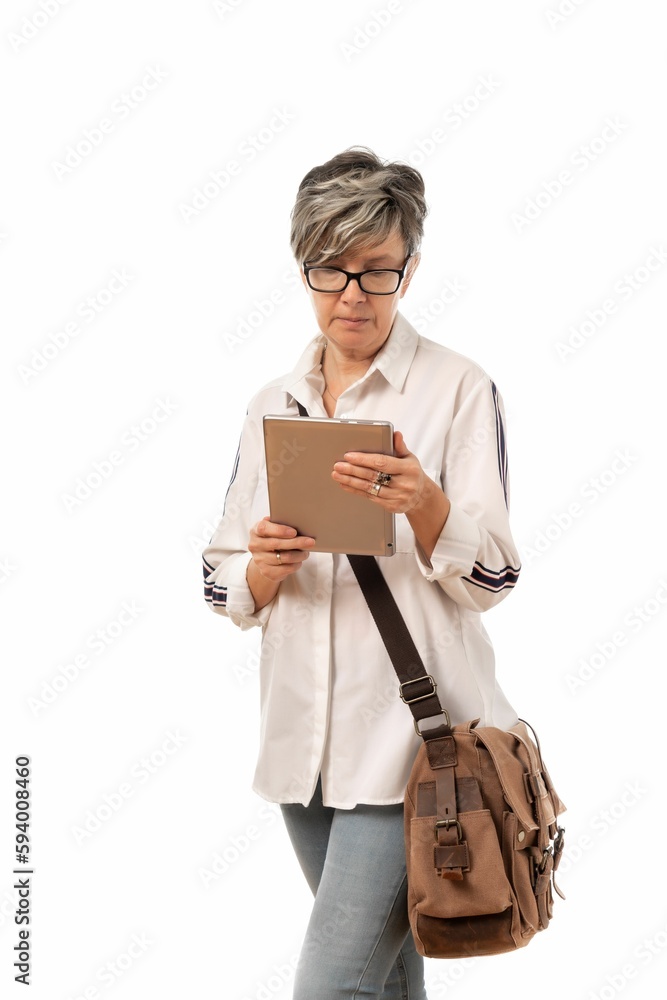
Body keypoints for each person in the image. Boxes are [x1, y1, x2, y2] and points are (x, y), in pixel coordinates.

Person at [202, 147, 522, 999]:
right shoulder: (274, 399)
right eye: (331, 269)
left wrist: (424, 504)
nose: (352, 294)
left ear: (408, 271)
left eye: (376, 271)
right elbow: (216, 575)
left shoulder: (457, 389)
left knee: (330, 987)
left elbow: (493, 580)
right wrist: (262, 570)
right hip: (298, 748)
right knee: (385, 985)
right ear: (303, 267)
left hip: (413, 751)